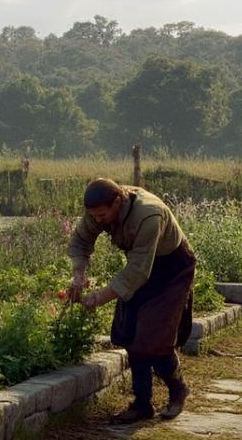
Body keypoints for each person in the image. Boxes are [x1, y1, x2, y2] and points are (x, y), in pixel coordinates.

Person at [67, 178, 196, 424]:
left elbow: (138, 271)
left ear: (118, 202)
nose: (97, 220)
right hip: (141, 267)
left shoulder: (149, 215)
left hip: (172, 270)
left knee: (153, 335)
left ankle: (177, 389)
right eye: (93, 216)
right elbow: (80, 242)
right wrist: (78, 277)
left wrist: (98, 297)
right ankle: (142, 404)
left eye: (101, 215)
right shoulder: (99, 210)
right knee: (128, 331)